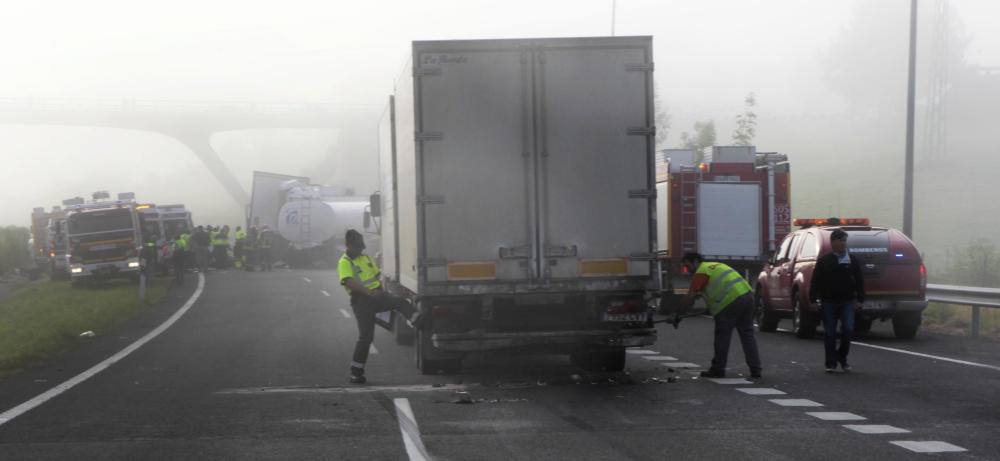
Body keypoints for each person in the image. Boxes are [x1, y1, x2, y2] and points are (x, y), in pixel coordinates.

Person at [338, 229, 423, 384]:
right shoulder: (344, 262)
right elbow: (349, 281)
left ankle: (418, 321)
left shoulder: (365, 258)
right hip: (362, 302)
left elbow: (377, 276)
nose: (361, 249)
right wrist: (368, 293)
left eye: (362, 245)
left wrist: (387, 293)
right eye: (358, 246)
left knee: (400, 302)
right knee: (366, 337)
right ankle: (356, 373)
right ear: (348, 245)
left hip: (377, 296)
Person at [677, 252, 762, 379]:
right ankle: (756, 369)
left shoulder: (701, 271)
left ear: (695, 261)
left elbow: (690, 297)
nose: (688, 271)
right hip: (748, 296)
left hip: (730, 301)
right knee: (747, 334)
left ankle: (718, 369)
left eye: (688, 266)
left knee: (722, 337)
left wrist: (677, 314)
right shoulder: (716, 265)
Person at [810, 229, 865, 373]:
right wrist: (813, 299)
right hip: (829, 301)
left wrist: (860, 299)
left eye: (844, 241)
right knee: (830, 333)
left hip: (847, 301)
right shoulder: (824, 261)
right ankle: (831, 363)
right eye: (840, 240)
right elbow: (815, 281)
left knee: (848, 329)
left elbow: (859, 281)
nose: (843, 244)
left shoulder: (852, 260)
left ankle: (842, 357)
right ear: (832, 242)